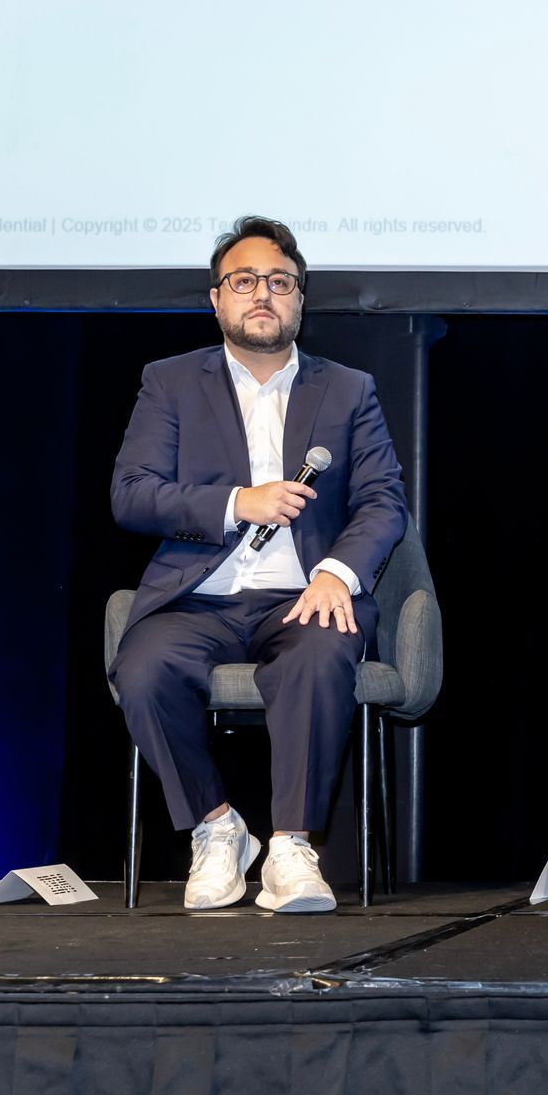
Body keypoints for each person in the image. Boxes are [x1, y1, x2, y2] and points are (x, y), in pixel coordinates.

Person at [110, 216, 408, 913]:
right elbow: (131, 494)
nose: (263, 295)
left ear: (301, 300)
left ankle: (293, 846)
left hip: (302, 596)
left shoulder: (348, 389)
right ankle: (217, 830)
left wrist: (339, 570)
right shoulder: (171, 382)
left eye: (280, 283)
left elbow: (383, 501)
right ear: (217, 299)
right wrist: (238, 500)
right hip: (198, 598)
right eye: (244, 282)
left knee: (320, 655)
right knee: (142, 668)